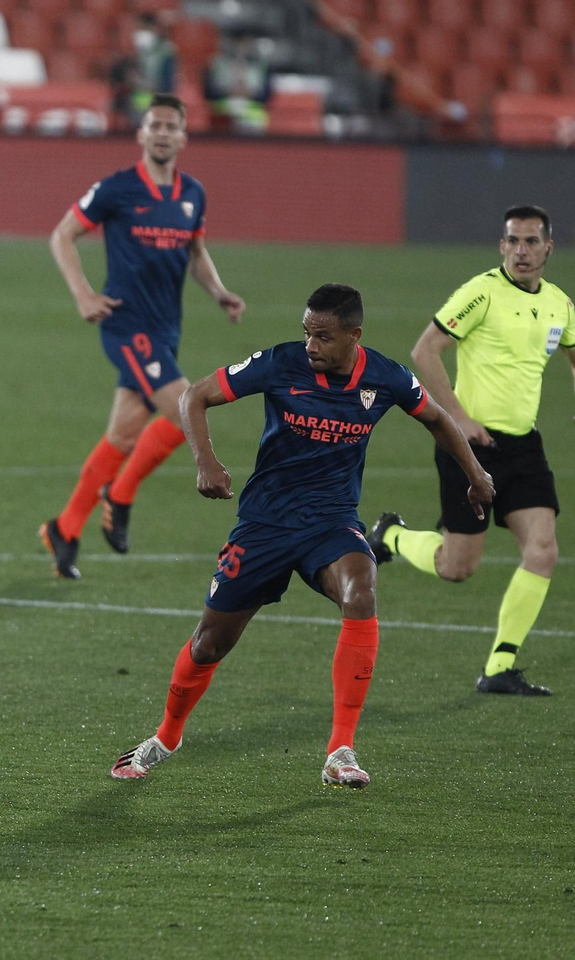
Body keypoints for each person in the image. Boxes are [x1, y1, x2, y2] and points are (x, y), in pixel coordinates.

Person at [111, 284, 492, 788]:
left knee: (361, 589)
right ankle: (166, 736)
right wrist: (206, 462)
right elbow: (194, 395)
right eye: (307, 333)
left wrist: (476, 474)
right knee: (209, 644)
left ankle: (340, 750)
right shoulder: (278, 363)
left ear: (354, 336)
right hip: (265, 524)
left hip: (331, 522)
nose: (311, 345)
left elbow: (438, 420)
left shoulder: (387, 377)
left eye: (324, 336)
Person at [370, 205, 573, 696]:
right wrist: (458, 418)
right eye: (512, 241)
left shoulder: (560, 305)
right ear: (501, 246)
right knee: (457, 568)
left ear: (549, 247)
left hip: (523, 446)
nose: (521, 250)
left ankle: (500, 668)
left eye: (530, 241)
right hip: (468, 448)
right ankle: (392, 536)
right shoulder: (481, 292)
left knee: (542, 552)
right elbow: (424, 350)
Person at [41, 94, 246, 579]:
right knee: (185, 408)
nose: (161, 132)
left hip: (164, 330)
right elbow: (61, 235)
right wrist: (83, 294)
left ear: (183, 136)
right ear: (141, 133)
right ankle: (122, 492)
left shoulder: (193, 193)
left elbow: (195, 251)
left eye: (170, 126)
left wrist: (217, 291)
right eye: (153, 124)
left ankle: (65, 529)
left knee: (123, 435)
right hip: (127, 326)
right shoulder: (116, 189)